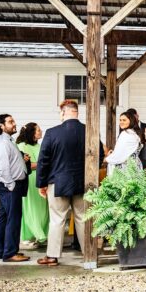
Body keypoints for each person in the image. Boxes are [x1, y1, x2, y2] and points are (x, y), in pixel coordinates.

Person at [36, 100, 99, 266]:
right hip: (84, 183)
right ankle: (89, 254)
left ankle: (52, 256)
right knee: (83, 218)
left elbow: (43, 161)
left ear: (63, 112)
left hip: (58, 182)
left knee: (57, 219)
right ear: (76, 112)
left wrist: (41, 183)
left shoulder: (51, 133)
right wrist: (90, 176)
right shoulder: (89, 131)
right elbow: (98, 156)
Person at [0, 113, 29, 262]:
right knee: (13, 218)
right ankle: (10, 253)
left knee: (4, 217)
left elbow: (10, 161)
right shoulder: (2, 142)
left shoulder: (6, 140)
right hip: (8, 185)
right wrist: (11, 185)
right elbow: (2, 166)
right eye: (10, 122)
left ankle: (2, 251)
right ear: (1, 126)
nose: (14, 124)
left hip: (5, 184)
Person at [15, 122, 48, 250]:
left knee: (42, 209)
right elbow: (27, 165)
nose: (41, 131)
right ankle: (27, 237)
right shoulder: (22, 146)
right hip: (29, 180)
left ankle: (39, 234)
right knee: (30, 208)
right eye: (38, 130)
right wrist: (44, 163)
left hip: (41, 180)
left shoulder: (39, 145)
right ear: (32, 133)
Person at [105, 109, 143, 174]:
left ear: (131, 121)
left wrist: (107, 159)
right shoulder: (134, 133)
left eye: (124, 120)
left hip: (125, 168)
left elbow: (119, 154)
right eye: (120, 120)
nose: (121, 122)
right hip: (135, 166)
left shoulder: (126, 134)